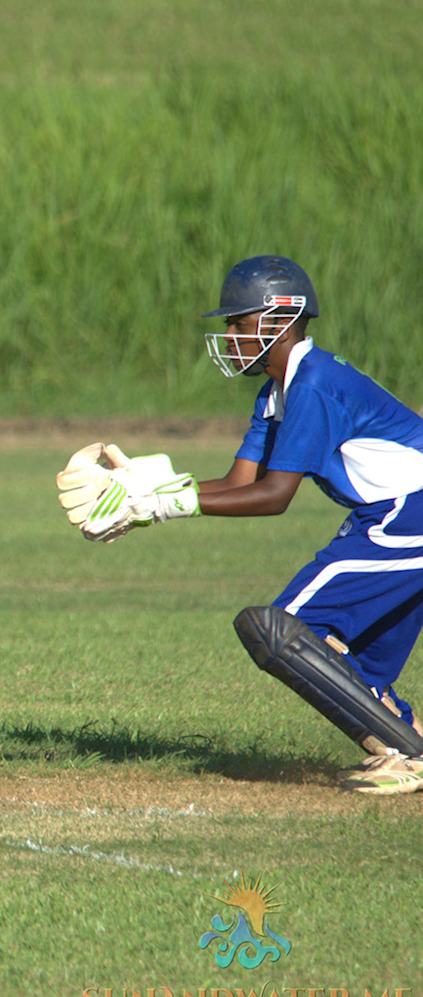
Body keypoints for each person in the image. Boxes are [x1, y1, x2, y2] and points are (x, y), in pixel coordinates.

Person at [56, 255, 423, 796]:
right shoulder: (276, 391)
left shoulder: (313, 385)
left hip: (405, 516)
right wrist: (148, 496)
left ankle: (401, 751)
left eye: (237, 321)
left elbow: (274, 497)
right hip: (387, 516)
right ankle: (410, 748)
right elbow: (238, 480)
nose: (229, 334)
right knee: (355, 663)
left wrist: (162, 505)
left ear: (277, 318)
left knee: (281, 629)